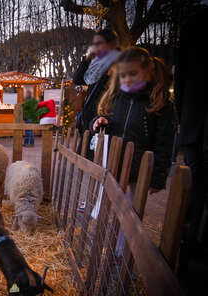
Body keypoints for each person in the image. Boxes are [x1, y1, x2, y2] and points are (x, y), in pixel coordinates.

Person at [91, 47, 175, 256]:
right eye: (123, 75)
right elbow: (112, 121)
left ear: (148, 71)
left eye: (133, 74)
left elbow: (165, 143)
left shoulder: (159, 103)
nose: (127, 79)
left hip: (139, 170)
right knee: (109, 206)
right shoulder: (117, 98)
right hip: (115, 164)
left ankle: (122, 252)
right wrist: (101, 121)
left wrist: (158, 177)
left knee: (131, 212)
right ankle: (104, 242)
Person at [174, 7, 208, 271]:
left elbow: (182, 74)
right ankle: (192, 237)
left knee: (197, 177)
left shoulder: (194, 23)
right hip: (196, 119)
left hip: (194, 118)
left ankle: (193, 236)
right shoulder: (195, 23)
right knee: (196, 179)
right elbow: (183, 74)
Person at [73, 28, 120, 159]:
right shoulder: (96, 64)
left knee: (99, 162)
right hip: (89, 120)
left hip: (103, 119)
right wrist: (87, 58)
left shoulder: (117, 63)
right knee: (86, 162)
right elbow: (77, 79)